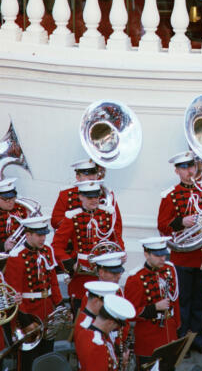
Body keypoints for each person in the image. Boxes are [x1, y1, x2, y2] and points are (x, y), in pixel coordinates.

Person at [157, 151, 202, 354]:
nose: (189, 171)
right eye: (184, 168)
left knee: (200, 301)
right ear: (177, 171)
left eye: (192, 166)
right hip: (182, 257)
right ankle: (182, 339)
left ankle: (198, 338)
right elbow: (162, 225)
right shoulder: (170, 195)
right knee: (182, 301)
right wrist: (181, 222)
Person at [52, 180, 124, 311]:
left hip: (105, 271)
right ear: (81, 197)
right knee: (82, 312)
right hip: (82, 273)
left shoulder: (108, 214)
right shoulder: (73, 217)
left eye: (96, 196)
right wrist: (71, 264)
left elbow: (117, 238)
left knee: (106, 311)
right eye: (90, 197)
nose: (94, 200)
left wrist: (121, 253)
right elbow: (56, 246)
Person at [4, 216, 63, 371]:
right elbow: (14, 291)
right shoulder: (17, 256)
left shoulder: (47, 250)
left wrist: (60, 303)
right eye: (39, 235)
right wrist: (25, 320)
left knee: (47, 352)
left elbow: (54, 281)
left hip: (47, 310)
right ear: (28, 235)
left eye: (44, 235)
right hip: (28, 312)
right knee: (28, 359)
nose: (43, 238)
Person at [125, 237, 180, 369]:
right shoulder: (136, 278)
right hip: (149, 338)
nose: (163, 259)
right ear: (146, 254)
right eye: (157, 255)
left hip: (169, 333)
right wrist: (154, 308)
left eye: (164, 255)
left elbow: (175, 301)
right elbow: (130, 312)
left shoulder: (170, 269)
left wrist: (176, 327)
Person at [51, 159, 121, 230]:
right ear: (78, 177)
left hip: (100, 239)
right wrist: (79, 221)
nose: (91, 177)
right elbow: (55, 222)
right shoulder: (66, 194)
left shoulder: (107, 193)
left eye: (93, 173)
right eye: (86, 174)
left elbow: (117, 224)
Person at [75, 294, 135, 371]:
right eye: (115, 326)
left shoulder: (87, 333)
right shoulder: (97, 345)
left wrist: (122, 364)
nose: (113, 329)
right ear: (110, 322)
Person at [0, 178, 30, 257]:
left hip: (22, 253)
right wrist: (3, 246)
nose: (10, 202)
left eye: (13, 198)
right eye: (6, 199)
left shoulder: (21, 208)